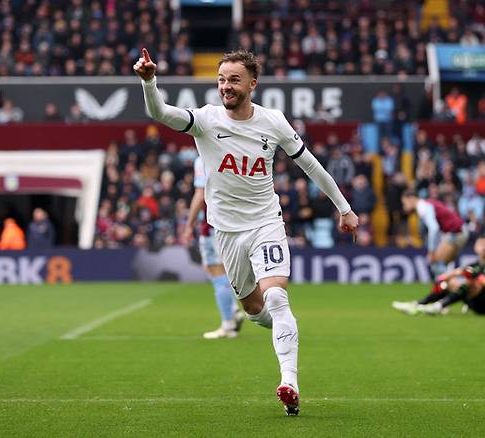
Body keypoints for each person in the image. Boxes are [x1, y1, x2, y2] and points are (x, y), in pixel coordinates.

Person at [135, 48, 358, 416]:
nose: (226, 86)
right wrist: (149, 81)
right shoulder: (205, 120)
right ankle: (286, 329)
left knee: (276, 298)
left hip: (266, 223)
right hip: (226, 232)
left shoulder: (273, 122)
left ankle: (290, 382)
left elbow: (311, 166)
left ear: (252, 84)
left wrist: (344, 208)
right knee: (255, 310)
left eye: (234, 80)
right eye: (221, 80)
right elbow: (161, 112)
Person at [182, 155, 244, 339]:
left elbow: (200, 195)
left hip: (212, 223)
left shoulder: (203, 158)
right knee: (215, 268)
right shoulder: (233, 151)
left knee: (217, 271)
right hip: (235, 219)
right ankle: (233, 311)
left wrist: (188, 225)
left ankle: (228, 325)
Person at [393, 236, 485, 316]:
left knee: (472, 283)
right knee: (449, 283)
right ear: (475, 247)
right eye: (480, 244)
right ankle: (419, 304)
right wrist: (443, 281)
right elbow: (451, 275)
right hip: (478, 305)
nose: (483, 247)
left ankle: (439, 306)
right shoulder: (474, 265)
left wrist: (482, 279)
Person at [401, 190, 468, 281]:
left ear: (411, 198)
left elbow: (434, 228)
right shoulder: (427, 203)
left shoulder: (422, 207)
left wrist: (431, 250)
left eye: (404, 203)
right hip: (459, 231)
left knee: (436, 264)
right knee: (443, 267)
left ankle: (460, 286)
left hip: (456, 232)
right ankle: (452, 289)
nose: (404, 207)